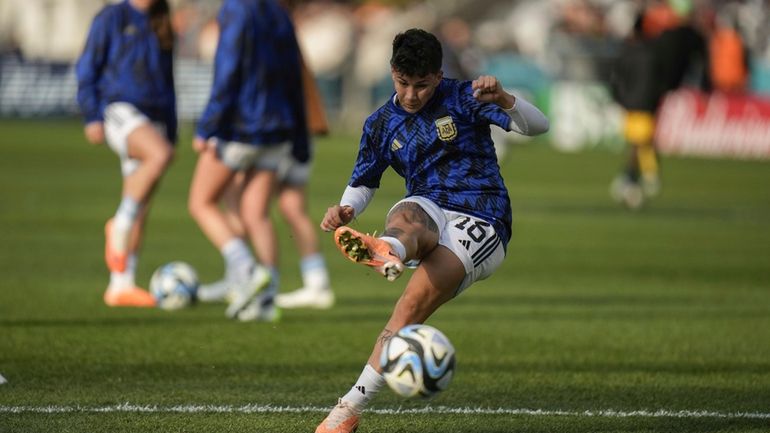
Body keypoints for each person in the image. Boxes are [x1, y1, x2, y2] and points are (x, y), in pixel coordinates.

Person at [314, 28, 549, 433]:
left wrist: (506, 99)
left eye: (421, 85)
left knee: (409, 308)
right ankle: (386, 250)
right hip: (427, 204)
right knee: (407, 213)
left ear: (438, 76)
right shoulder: (381, 123)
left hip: (482, 217)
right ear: (392, 72)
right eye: (403, 83)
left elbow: (538, 126)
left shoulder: (465, 97)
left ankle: (352, 403)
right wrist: (348, 208)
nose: (410, 95)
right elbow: (365, 180)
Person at [187, 0, 308, 321]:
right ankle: (267, 301)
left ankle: (246, 269)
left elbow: (228, 71)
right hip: (279, 127)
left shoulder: (237, 8)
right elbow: (296, 74)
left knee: (201, 202)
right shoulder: (279, 13)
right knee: (257, 214)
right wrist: (300, 136)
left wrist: (208, 126)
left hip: (243, 125)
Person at [196, 46, 335, 310]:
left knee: (244, 202)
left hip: (274, 129)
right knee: (291, 208)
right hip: (300, 130)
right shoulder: (281, 31)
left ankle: (243, 276)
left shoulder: (261, 34)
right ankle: (317, 282)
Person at [76, 0, 176, 307]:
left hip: (154, 115)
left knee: (141, 204)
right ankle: (118, 224)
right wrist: (92, 115)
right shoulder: (112, 16)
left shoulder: (161, 17)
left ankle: (121, 284)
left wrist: (171, 126)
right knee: (158, 156)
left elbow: (167, 79)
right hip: (121, 109)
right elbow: (87, 66)